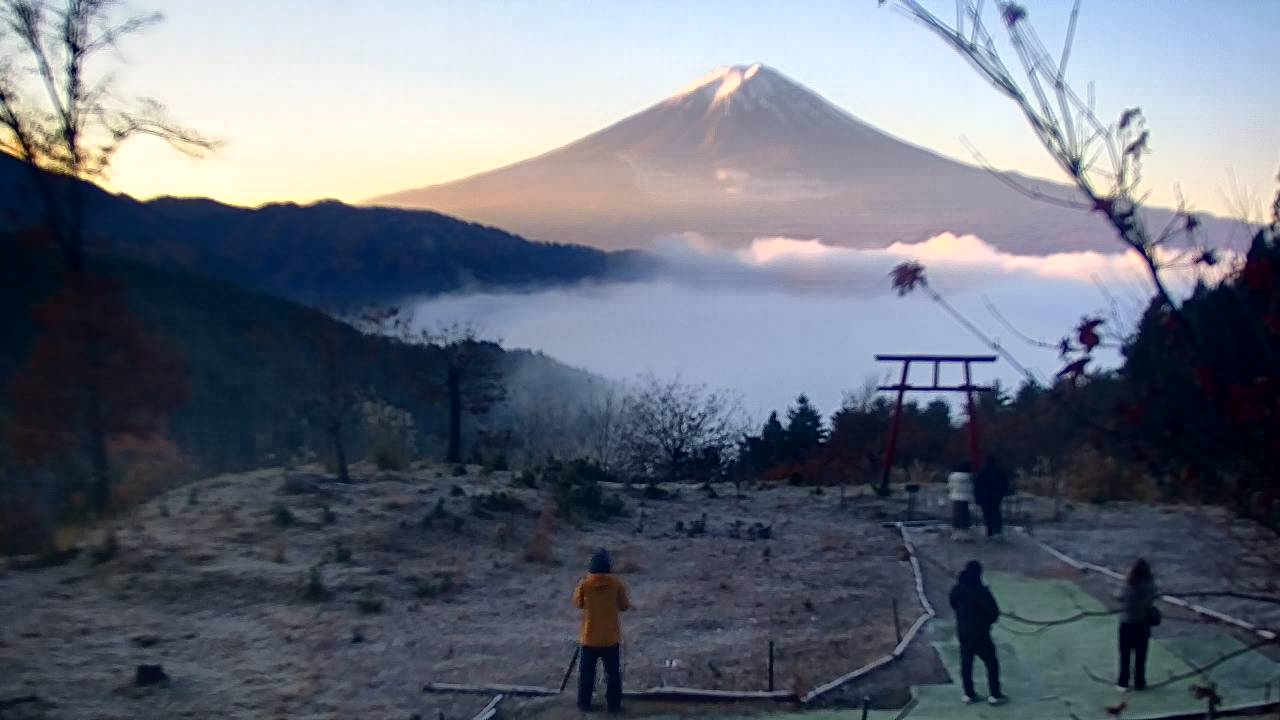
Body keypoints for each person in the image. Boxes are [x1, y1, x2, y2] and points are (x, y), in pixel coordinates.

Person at [573, 548, 631, 713]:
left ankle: (584, 705)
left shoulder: (585, 584)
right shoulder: (616, 584)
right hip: (610, 638)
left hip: (589, 638)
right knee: (612, 674)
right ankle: (614, 706)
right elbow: (624, 606)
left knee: (587, 674)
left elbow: (577, 603)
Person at [949, 560, 1007, 705]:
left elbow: (953, 603)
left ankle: (968, 693)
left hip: (964, 632)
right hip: (980, 634)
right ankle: (995, 694)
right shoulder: (982, 591)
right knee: (991, 663)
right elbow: (994, 612)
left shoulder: (957, 589)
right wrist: (987, 623)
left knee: (966, 663)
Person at [1117, 559, 1158, 691]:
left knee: (1125, 655)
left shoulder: (1128, 585)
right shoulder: (1149, 586)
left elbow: (1118, 596)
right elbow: (1153, 597)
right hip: (1142, 624)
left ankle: (1123, 682)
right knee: (1141, 656)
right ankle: (1139, 682)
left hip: (1126, 623)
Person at [973, 455, 1010, 538]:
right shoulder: (999, 471)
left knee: (987, 513)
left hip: (985, 496)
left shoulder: (982, 471)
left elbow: (978, 485)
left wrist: (977, 497)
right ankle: (998, 530)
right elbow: (1004, 484)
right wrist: (1001, 494)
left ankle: (989, 530)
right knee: (996, 512)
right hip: (996, 496)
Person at [947, 462, 975, 541]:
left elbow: (949, 486)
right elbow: (972, 487)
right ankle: (965, 532)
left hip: (955, 497)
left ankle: (956, 532)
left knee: (956, 514)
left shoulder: (952, 476)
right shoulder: (969, 477)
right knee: (965, 515)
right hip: (965, 498)